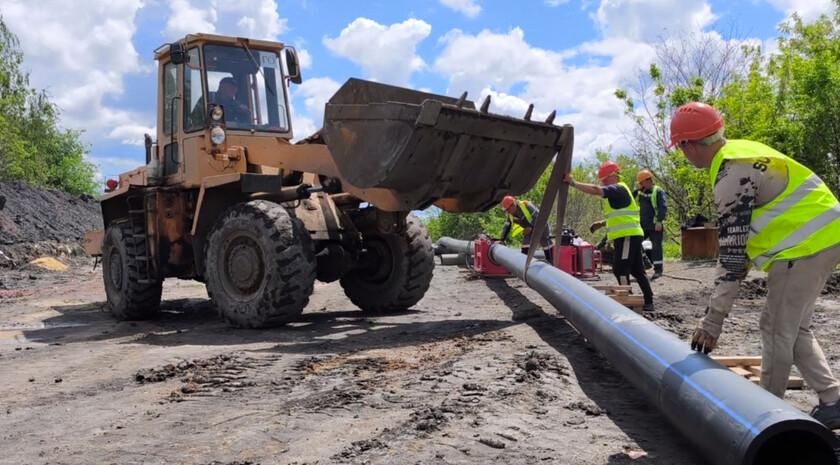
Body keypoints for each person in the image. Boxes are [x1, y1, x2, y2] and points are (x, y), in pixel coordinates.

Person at [671, 101, 840, 428]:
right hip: (826, 236)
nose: (682, 153)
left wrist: (712, 322)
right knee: (794, 327)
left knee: (775, 326)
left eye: (681, 147)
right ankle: (832, 399)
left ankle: (768, 417)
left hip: (805, 246)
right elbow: (742, 247)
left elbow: (733, 258)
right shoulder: (742, 152)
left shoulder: (730, 172)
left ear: (688, 145)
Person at [564, 163, 654, 312]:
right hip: (630, 235)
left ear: (613, 176)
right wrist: (602, 223)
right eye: (602, 181)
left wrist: (573, 183)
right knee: (637, 270)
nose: (603, 183)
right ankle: (648, 301)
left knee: (620, 268)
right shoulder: (620, 191)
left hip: (627, 236)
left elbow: (595, 190)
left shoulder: (618, 188)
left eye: (605, 180)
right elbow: (621, 215)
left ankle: (627, 299)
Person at [499, 195, 554, 264]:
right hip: (529, 229)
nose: (508, 212)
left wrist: (531, 227)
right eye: (506, 210)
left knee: (546, 244)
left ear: (513, 205)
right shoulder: (510, 214)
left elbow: (538, 217)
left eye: (508, 209)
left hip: (541, 226)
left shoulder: (526, 205)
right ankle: (524, 266)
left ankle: (552, 263)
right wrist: (501, 239)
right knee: (525, 247)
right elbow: (507, 226)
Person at [634, 169, 667, 279]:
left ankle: (658, 270)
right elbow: (630, 197)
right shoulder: (641, 191)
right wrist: (636, 189)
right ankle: (646, 262)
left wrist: (659, 221)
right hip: (643, 224)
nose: (641, 185)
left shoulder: (658, 191)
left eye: (641, 182)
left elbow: (662, 207)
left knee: (656, 246)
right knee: (636, 243)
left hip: (654, 224)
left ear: (647, 181)